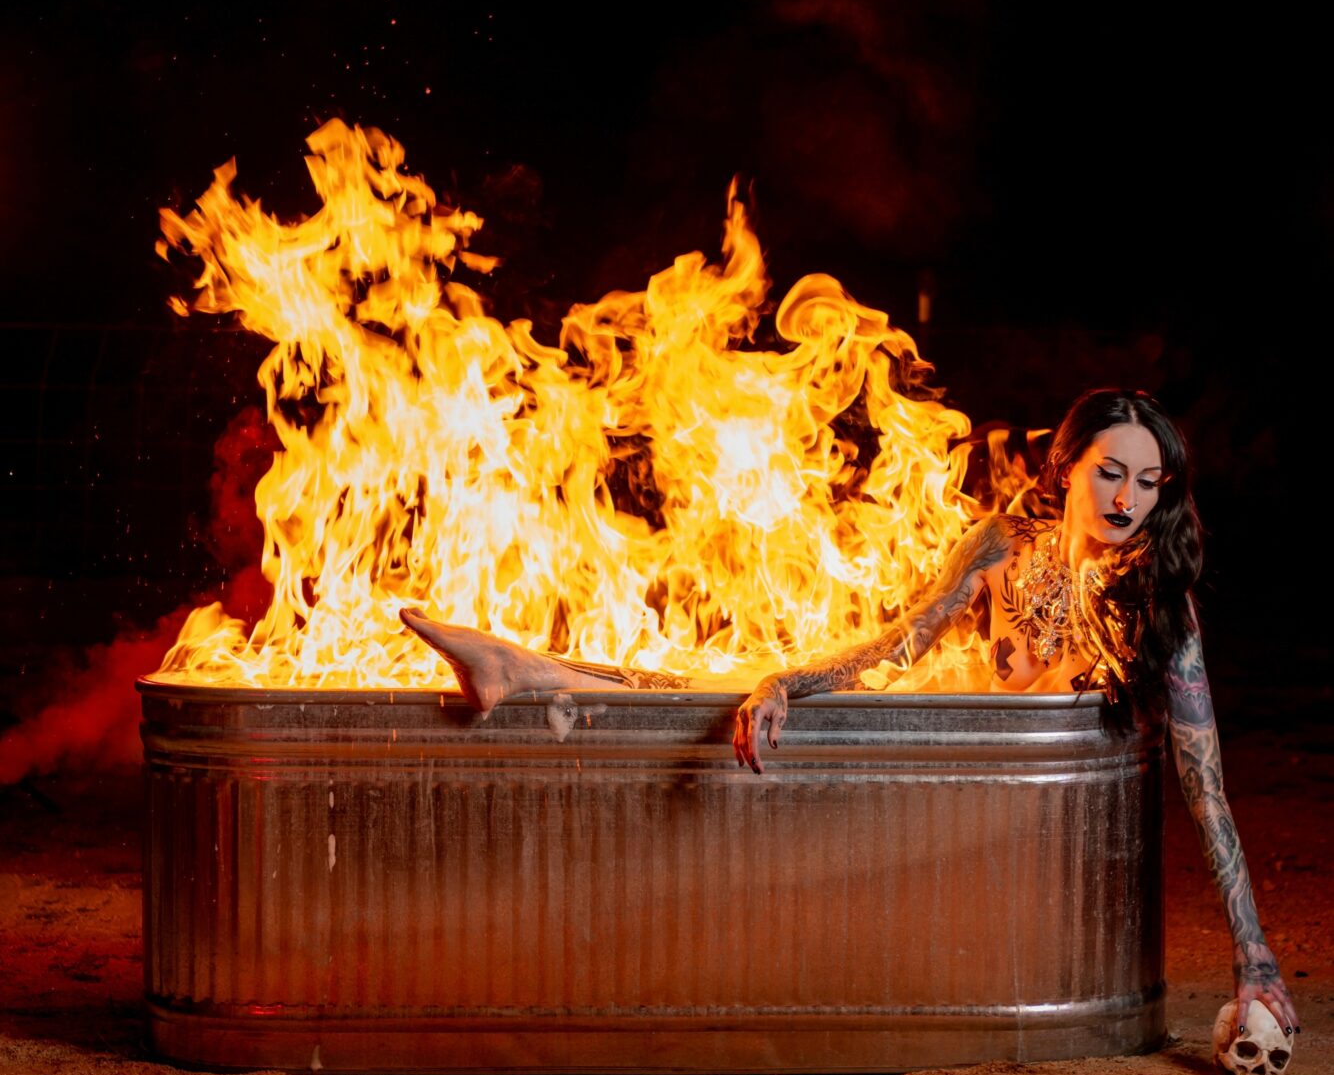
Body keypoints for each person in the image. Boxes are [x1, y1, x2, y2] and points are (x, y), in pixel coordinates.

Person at [400, 388, 1298, 1039]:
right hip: (934, 756)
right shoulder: (1001, 548)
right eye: (1110, 473)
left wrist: (1253, 955)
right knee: (722, 697)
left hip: (997, 841)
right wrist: (787, 684)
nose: (1127, 500)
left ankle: (523, 669)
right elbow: (897, 644)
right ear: (1067, 469)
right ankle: (519, 665)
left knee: (755, 709)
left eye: (1149, 482)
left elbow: (1205, 782)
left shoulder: (1159, 601)